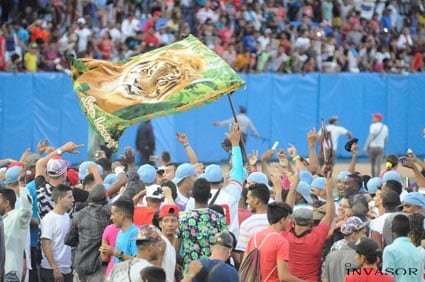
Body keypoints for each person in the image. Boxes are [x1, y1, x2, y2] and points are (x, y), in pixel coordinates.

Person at [243, 201, 302, 282]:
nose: (290, 222)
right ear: (282, 220)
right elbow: (283, 276)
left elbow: (244, 265)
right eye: (288, 218)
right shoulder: (281, 242)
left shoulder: (254, 237)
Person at [64, 184, 111, 281]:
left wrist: (82, 241)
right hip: (99, 267)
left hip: (80, 265)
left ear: (89, 198)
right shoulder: (110, 214)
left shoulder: (79, 215)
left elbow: (68, 239)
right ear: (105, 198)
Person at [39, 184, 74, 282]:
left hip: (66, 269)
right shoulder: (49, 219)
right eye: (69, 197)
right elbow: (45, 244)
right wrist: (55, 268)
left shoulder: (67, 217)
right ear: (59, 199)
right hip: (52, 270)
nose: (73, 200)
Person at [0, 183, 32, 281]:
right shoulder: (2, 220)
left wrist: (22, 187)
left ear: (6, 203)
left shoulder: (16, 217)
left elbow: (26, 211)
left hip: (10, 273)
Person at [382, 214, 423, 281]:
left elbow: (387, 278)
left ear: (391, 229)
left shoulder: (390, 250)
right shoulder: (417, 251)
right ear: (409, 230)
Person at [363, 113, 389, 177]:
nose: (373, 118)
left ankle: (373, 177)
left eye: (374, 117)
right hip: (380, 148)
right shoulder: (385, 127)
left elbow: (370, 137)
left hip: (372, 147)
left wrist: (365, 147)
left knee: (372, 165)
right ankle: (377, 178)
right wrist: (383, 145)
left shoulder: (373, 126)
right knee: (379, 165)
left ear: (377, 118)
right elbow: (386, 138)